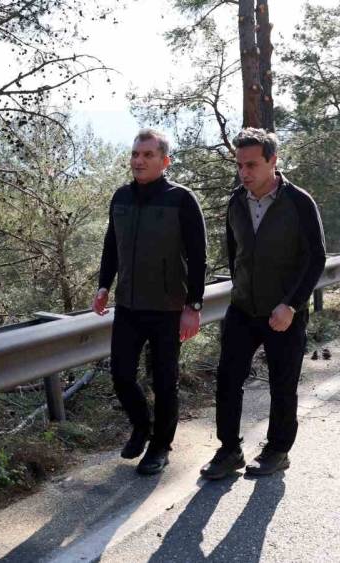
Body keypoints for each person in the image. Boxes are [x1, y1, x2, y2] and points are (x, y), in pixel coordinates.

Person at [200, 128, 326, 480]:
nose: (244, 172)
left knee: (282, 384)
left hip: (283, 311)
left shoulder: (298, 201)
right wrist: (241, 290)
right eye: (240, 165)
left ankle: (277, 450)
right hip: (242, 308)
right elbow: (235, 254)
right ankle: (229, 450)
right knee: (228, 379)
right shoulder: (236, 202)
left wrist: (291, 305)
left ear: (273, 161)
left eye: (252, 164)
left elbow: (316, 258)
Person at [93, 128, 208, 476]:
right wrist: (103, 286)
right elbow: (111, 245)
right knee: (121, 375)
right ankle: (142, 426)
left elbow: (199, 256)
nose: (138, 161)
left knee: (164, 381)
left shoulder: (181, 199)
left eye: (147, 155)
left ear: (165, 161)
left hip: (167, 308)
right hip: (128, 306)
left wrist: (193, 306)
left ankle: (160, 447)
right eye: (135, 154)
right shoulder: (121, 197)